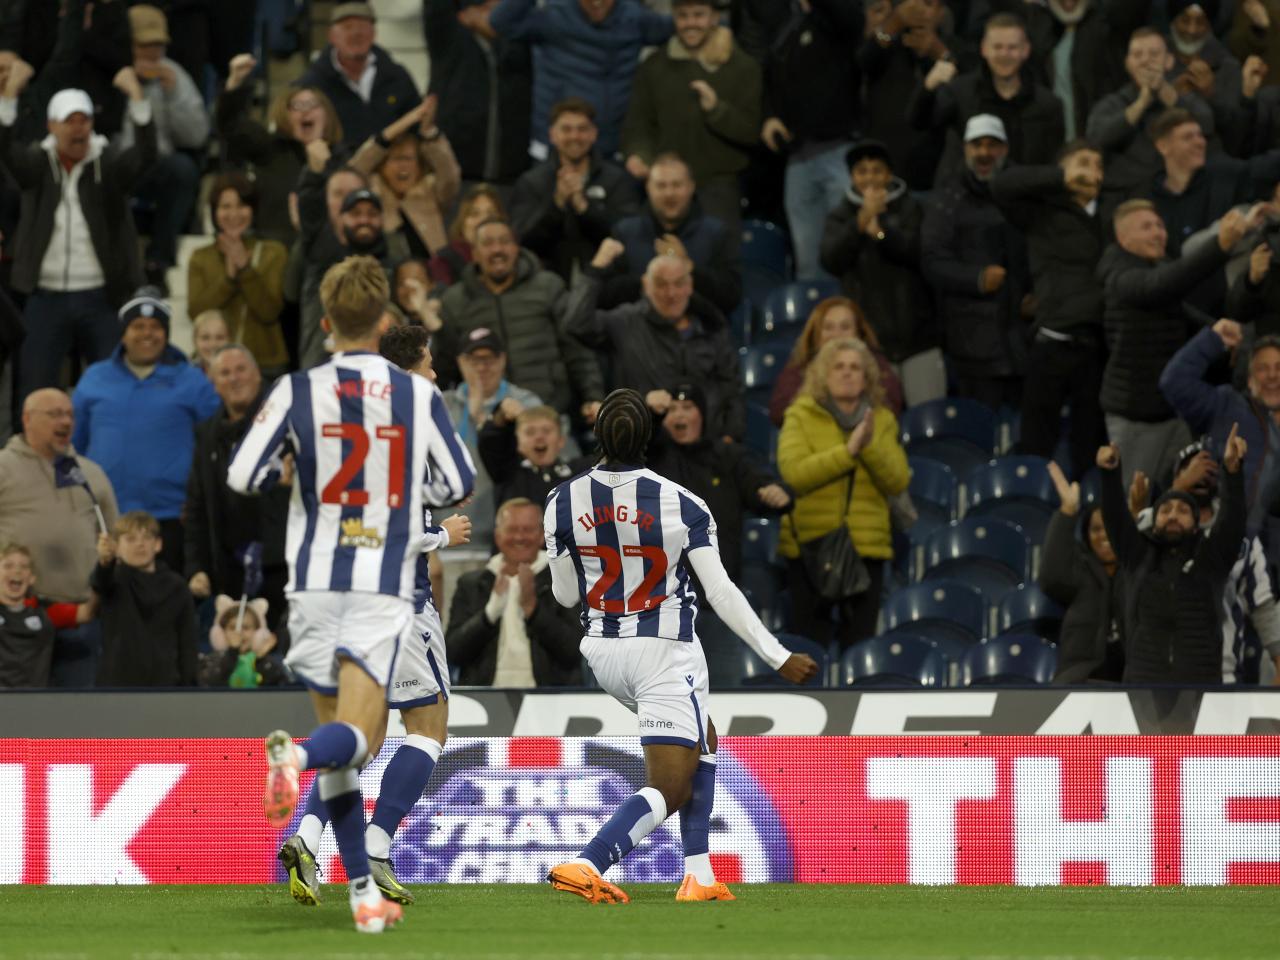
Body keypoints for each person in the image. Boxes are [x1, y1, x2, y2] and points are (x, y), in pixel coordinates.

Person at [227, 256, 475, 934]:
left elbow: (244, 475)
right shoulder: (416, 395)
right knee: (356, 742)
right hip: (379, 586)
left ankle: (363, 891)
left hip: (309, 584)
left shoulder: (295, 390)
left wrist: (301, 468)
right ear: (386, 320)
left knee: (346, 740)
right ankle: (296, 758)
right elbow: (456, 482)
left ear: (327, 320)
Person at [543, 387, 818, 905]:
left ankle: (700, 874)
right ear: (651, 436)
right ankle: (587, 862)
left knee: (703, 735)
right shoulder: (682, 503)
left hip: (602, 653)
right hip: (663, 649)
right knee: (671, 786)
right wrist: (776, 654)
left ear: (596, 436)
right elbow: (720, 591)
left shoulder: (561, 500)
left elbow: (562, 594)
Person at [276, 318, 475, 909]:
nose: (437, 374)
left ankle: (308, 839)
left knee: (363, 737)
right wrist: (441, 534)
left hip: (344, 603)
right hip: (402, 604)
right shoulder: (411, 419)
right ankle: (378, 843)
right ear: (409, 369)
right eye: (430, 362)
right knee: (431, 727)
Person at [0, 69, 155, 401]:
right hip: (45, 296)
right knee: (34, 389)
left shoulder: (108, 166)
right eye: (69, 121)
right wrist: (9, 96)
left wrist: (137, 99)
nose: (78, 127)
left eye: (84, 120)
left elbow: (145, 157)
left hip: (101, 296)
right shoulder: (36, 166)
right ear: (51, 127)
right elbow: (4, 151)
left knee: (113, 390)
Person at [1098, 201, 1254, 485]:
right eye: (1147, 226)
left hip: (1174, 411)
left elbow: (1182, 311)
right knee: (1134, 503)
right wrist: (1220, 245)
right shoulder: (1119, 273)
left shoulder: (1156, 268)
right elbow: (1159, 286)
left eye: (1160, 225)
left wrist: (1219, 333)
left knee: (1181, 498)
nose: (1158, 232)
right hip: (1137, 419)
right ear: (1122, 238)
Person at [71, 292, 221, 574]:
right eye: (138, 326)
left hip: (171, 516)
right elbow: (74, 445)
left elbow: (215, 443)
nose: (147, 334)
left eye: (155, 327)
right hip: (107, 517)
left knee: (170, 604)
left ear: (166, 334)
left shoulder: (192, 381)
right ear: (123, 333)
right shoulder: (94, 378)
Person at [777, 338, 910, 651]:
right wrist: (848, 452)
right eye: (839, 366)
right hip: (812, 549)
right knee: (808, 649)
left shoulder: (882, 420)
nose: (847, 373)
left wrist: (868, 445)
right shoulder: (800, 415)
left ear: (867, 378)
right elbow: (794, 473)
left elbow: (898, 480)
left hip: (866, 548)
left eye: (855, 368)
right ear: (823, 374)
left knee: (860, 648)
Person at [990, 139, 1107, 477]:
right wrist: (1060, 179)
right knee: (1037, 444)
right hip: (1053, 340)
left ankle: (1090, 522)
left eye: (1098, 165)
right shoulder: (1043, 210)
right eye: (1083, 162)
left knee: (1091, 448)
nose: (1093, 172)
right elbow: (1001, 186)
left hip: (1098, 346)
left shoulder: (1110, 213)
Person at [1096, 428, 1247, 683]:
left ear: (1196, 524)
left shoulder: (1210, 558)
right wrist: (1110, 474)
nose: (1174, 514)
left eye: (1182, 510)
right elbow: (1115, 518)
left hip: (1202, 688)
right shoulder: (1138, 555)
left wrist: (1232, 472)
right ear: (1154, 523)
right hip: (1143, 687)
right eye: (1165, 509)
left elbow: (1233, 522)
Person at [0, 389, 117, 687]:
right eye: (54, 414)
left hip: (81, 617)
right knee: (18, 720)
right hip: (14, 625)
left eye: (69, 415)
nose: (65, 421)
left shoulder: (91, 473)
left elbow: (114, 538)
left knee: (75, 721)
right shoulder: (3, 467)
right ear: (27, 419)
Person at [435, 218, 604, 419]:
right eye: (488, 243)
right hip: (486, 420)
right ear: (475, 253)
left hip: (549, 412)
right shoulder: (455, 301)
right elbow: (446, 366)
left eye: (504, 241)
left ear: (516, 248)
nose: (497, 249)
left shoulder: (548, 286)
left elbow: (576, 348)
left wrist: (593, 397)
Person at [570, 243, 744, 440]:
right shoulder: (625, 321)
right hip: (645, 446)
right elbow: (577, 323)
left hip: (706, 448)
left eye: (678, 283)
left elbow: (731, 388)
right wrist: (596, 269)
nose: (671, 294)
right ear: (646, 285)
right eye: (661, 284)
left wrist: (730, 436)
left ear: (690, 286)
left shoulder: (711, 325)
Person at [620, 0, 761, 234]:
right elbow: (638, 124)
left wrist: (717, 110)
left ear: (714, 18)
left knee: (718, 264)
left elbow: (751, 131)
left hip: (719, 185)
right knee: (664, 262)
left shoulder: (743, 67)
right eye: (683, 16)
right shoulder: (653, 66)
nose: (690, 23)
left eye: (698, 15)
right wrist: (639, 154)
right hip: (666, 186)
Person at [921, 114, 1031, 410]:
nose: (984, 153)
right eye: (977, 145)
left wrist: (1036, 293)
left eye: (992, 145)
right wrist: (977, 278)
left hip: (1024, 337)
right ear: (966, 150)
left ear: (1005, 149)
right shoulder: (948, 197)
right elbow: (932, 260)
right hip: (972, 342)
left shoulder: (1024, 191)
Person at [819, 141, 940, 406]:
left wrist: (881, 233)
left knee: (928, 427)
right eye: (862, 171)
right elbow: (830, 260)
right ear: (852, 177)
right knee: (880, 432)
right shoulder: (840, 217)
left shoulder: (913, 209)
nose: (870, 178)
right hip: (871, 349)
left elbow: (922, 254)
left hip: (919, 341)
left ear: (889, 175)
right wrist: (858, 225)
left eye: (876, 170)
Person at [185, 345, 290, 633]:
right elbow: (197, 506)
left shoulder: (288, 426)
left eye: (241, 369)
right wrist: (196, 567)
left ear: (258, 375)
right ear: (213, 382)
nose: (234, 379)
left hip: (283, 570)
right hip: (229, 572)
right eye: (225, 373)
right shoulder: (207, 435)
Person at [488, 0, 672, 159]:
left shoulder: (634, 18)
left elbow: (683, 26)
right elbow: (501, 21)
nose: (597, 2)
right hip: (555, 149)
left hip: (611, 150)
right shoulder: (553, 16)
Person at [759, 0, 862, 280]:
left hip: (838, 151)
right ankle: (813, 322)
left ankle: (849, 323)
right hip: (797, 157)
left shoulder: (838, 19)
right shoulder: (789, 26)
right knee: (807, 262)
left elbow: (847, 18)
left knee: (846, 253)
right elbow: (769, 74)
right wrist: (769, 116)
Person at [648, 382, 791, 580]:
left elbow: (758, 485)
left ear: (703, 414)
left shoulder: (727, 457)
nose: (679, 415)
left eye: (688, 407)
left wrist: (776, 492)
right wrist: (650, 414)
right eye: (671, 410)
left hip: (717, 587)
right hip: (663, 590)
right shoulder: (652, 459)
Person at [907, 12, 1066, 184]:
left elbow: (1052, 163)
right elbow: (919, 122)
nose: (1004, 54)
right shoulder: (960, 92)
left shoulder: (1047, 105)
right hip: (966, 201)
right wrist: (928, 87)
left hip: (1024, 201)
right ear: (984, 49)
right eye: (997, 47)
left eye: (1012, 48)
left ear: (1025, 50)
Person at [1160, 319, 1280, 534]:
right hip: (1221, 539)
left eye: (1279, 367)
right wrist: (1212, 339)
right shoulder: (1227, 406)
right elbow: (1174, 382)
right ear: (1250, 377)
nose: (1272, 375)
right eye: (1263, 368)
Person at [447, 497, 582, 686]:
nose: (519, 537)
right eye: (511, 530)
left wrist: (534, 610)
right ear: (497, 536)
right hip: (485, 698)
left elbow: (574, 653)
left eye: (527, 530)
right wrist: (489, 614)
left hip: (549, 701)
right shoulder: (471, 584)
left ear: (542, 535)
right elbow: (453, 653)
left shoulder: (564, 578)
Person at [121, 5, 209, 289]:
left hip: (157, 167)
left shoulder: (174, 74)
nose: (151, 53)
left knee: (183, 170)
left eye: (157, 45)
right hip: (115, 164)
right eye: (144, 45)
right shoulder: (112, 72)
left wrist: (172, 96)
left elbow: (197, 136)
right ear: (128, 44)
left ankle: (158, 260)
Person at [297, 148, 408, 368]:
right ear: (340, 217)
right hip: (323, 369)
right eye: (356, 214)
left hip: (380, 376)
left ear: (382, 219)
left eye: (371, 214)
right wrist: (313, 174)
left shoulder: (394, 262)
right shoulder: (322, 254)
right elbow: (310, 213)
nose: (364, 220)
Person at [217, 54, 344, 246]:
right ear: (285, 116)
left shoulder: (343, 158)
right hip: (274, 251)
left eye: (312, 105)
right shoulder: (269, 149)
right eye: (296, 106)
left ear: (327, 115)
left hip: (326, 254)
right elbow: (230, 125)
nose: (305, 111)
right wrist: (235, 83)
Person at [509, 97, 639, 281]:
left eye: (582, 129)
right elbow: (522, 241)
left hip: (606, 283)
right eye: (566, 129)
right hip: (545, 285)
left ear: (594, 134)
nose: (575, 136)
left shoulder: (616, 180)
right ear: (552, 135)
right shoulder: (531, 182)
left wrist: (585, 209)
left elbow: (629, 236)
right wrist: (557, 204)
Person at [443, 328, 546, 550]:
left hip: (510, 542)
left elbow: (544, 462)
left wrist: (492, 420)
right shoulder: (441, 406)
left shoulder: (527, 404)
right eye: (473, 359)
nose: (482, 367)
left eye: (489, 359)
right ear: (460, 362)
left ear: (503, 360)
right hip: (450, 539)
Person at [1086, 27, 1216, 204]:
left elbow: (1207, 124)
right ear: (1127, 63)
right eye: (1137, 55)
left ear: (1169, 61)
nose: (1145, 61)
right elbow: (1096, 139)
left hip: (1179, 194)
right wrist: (1141, 103)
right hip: (1125, 198)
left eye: (1154, 54)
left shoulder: (1185, 99)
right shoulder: (1112, 103)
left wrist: (1167, 95)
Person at [603, 154, 742, 315]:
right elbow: (605, 295)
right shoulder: (625, 232)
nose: (669, 193)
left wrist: (689, 268)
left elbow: (732, 297)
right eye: (661, 186)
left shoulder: (717, 233)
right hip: (638, 334)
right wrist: (649, 281)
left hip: (700, 335)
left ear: (691, 187)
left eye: (677, 185)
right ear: (648, 188)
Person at [187, 173, 290, 379]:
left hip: (265, 365)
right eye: (225, 206)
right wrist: (228, 278)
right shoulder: (201, 257)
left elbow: (270, 310)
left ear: (253, 210)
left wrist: (245, 269)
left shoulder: (274, 252)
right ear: (214, 212)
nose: (234, 214)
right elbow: (197, 313)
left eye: (242, 205)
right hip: (215, 366)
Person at [425, 0, 533, 190]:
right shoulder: (448, 40)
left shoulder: (517, 48)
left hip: (510, 178)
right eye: (485, 8)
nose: (494, 14)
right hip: (457, 177)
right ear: (465, 13)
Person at [350, 94, 462, 262]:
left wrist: (428, 132)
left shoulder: (431, 191)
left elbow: (450, 174)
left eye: (409, 158)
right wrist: (403, 124)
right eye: (395, 159)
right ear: (381, 166)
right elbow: (353, 171)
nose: (403, 166)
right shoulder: (373, 193)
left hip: (435, 279)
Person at [92, 510, 198, 688]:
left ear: (158, 544)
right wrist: (104, 563)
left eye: (146, 538)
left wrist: (189, 688)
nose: (140, 544)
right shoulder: (114, 581)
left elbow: (187, 643)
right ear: (115, 547)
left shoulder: (177, 587)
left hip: (167, 687)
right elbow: (101, 582)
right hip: (117, 688)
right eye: (131, 539)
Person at [1042, 461, 1125, 683]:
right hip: (1079, 681)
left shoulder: (1137, 572)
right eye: (1096, 529)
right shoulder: (1081, 573)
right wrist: (1067, 512)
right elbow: (1051, 577)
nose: (1104, 535)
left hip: (1132, 686)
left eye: (1110, 526)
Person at [295, 2, 421, 149]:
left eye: (362, 27)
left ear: (374, 34)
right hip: (334, 169)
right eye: (347, 27)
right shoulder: (311, 84)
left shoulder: (398, 77)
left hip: (389, 168)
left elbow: (416, 129)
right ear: (331, 36)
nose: (356, 33)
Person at [769, 296, 904, 425]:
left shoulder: (875, 363)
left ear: (858, 333)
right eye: (828, 327)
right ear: (816, 333)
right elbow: (779, 411)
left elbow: (891, 405)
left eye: (845, 327)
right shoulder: (800, 367)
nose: (837, 335)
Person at [478, 403, 592, 519]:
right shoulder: (506, 471)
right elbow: (490, 441)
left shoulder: (581, 473)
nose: (539, 437)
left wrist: (606, 419)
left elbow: (609, 458)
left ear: (561, 440)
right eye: (530, 432)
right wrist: (501, 415)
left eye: (546, 431)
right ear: (517, 443)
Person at [0, 544, 56, 689]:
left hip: (33, 702)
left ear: (32, 578)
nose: (17, 571)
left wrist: (104, 565)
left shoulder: (47, 612)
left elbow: (86, 612)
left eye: (24, 567)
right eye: (8, 566)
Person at [427, 184, 507, 287]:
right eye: (474, 214)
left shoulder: (514, 259)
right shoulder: (443, 262)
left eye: (491, 214)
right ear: (462, 221)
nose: (483, 220)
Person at [189, 310, 230, 378]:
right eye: (205, 337)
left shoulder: (241, 376)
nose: (213, 344)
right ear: (195, 341)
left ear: (230, 340)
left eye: (219, 337)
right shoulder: (184, 377)